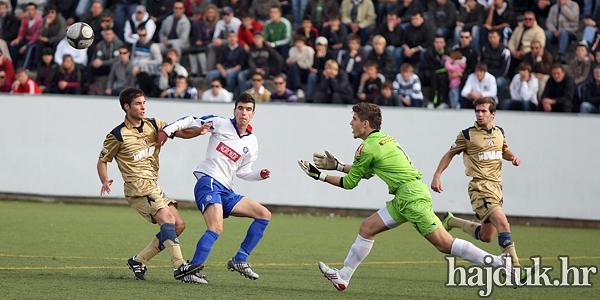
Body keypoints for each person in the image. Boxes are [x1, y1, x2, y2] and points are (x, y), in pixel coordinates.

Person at [297, 102, 511, 292]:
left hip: (410, 198)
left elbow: (350, 183)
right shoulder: (383, 140)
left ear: (365, 124)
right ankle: (343, 276)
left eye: (354, 119)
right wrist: (337, 165)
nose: (350, 123)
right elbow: (367, 172)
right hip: (405, 195)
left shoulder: (366, 147)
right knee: (367, 228)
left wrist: (321, 176)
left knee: (444, 244)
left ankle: (499, 263)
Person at [156, 92, 272, 283]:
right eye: (240, 108)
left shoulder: (252, 142)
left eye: (248, 109)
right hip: (209, 182)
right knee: (216, 227)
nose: (244, 112)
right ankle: (190, 270)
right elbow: (190, 120)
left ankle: (240, 259)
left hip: (226, 190)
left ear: (253, 113)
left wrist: (259, 175)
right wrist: (168, 130)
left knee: (264, 214)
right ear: (234, 110)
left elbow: (243, 171)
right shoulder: (220, 123)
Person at [96, 87, 205, 284]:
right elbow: (103, 160)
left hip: (153, 185)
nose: (143, 107)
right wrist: (105, 179)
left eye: (144, 103)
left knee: (179, 225)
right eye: (138, 104)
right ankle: (180, 266)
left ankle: (138, 261)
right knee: (167, 220)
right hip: (137, 188)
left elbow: (181, 132)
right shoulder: (117, 135)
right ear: (126, 107)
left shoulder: (155, 124)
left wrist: (201, 130)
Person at [431, 96, 525, 281]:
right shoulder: (467, 135)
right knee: (503, 223)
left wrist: (513, 157)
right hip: (479, 188)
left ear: (493, 114)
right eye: (477, 111)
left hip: (497, 188)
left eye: (484, 111)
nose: (480, 114)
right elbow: (450, 154)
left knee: (486, 236)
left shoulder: (499, 132)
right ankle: (515, 267)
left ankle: (452, 221)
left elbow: (504, 150)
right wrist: (437, 175)